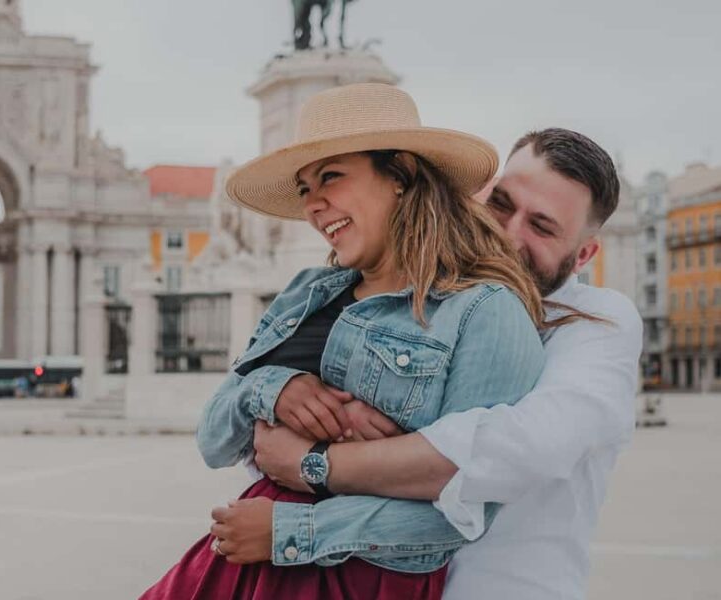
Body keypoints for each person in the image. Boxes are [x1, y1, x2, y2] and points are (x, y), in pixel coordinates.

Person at [140, 83, 553, 599]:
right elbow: (212, 440)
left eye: (331, 176)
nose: (313, 204)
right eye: (304, 188)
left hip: (351, 579)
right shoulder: (305, 293)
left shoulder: (485, 310)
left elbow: (467, 510)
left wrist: (292, 528)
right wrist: (273, 388)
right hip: (238, 563)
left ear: (400, 173)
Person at [252, 128, 644, 600]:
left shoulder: (600, 321)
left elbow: (515, 450)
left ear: (583, 254)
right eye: (501, 204)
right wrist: (286, 392)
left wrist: (314, 462)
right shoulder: (426, 298)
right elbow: (256, 440)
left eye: (541, 227)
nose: (508, 233)